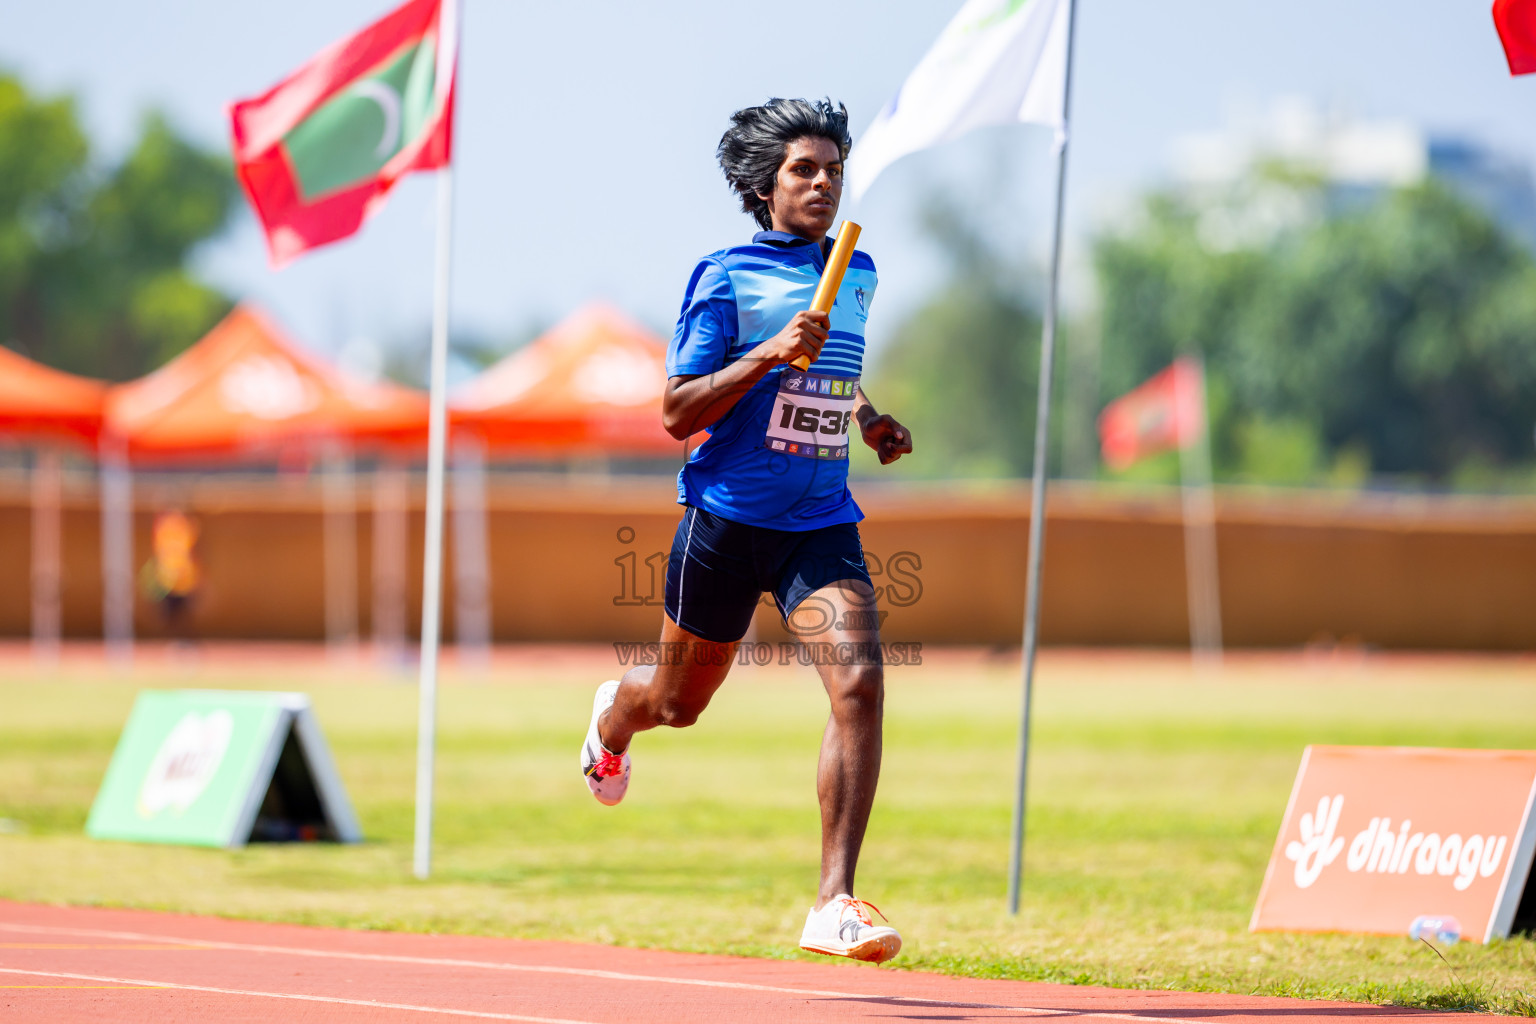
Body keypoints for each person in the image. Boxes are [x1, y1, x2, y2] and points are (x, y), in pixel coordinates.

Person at [578, 97, 913, 963]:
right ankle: (614, 722)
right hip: (725, 520)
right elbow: (676, 411)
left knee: (862, 683)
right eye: (805, 170)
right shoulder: (724, 277)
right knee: (677, 706)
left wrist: (870, 421)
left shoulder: (859, 270)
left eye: (834, 169)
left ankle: (832, 902)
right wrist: (768, 352)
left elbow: (836, 375)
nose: (823, 183)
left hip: (819, 521)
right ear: (765, 185)